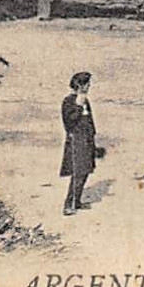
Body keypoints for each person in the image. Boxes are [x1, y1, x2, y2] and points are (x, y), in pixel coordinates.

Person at [60, 72, 98, 216]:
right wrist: (78, 107)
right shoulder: (68, 101)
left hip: (87, 140)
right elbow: (69, 122)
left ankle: (77, 201)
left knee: (85, 171)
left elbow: (90, 122)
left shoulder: (85, 100)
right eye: (87, 83)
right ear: (80, 85)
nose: (89, 86)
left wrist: (93, 137)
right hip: (76, 140)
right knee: (78, 173)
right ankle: (68, 204)